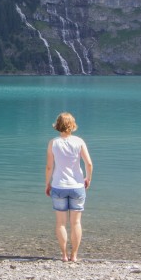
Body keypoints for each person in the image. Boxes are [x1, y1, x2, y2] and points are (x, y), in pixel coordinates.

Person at [44, 111, 93, 262]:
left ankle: (64, 255)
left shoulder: (53, 143)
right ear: (72, 125)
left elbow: (49, 167)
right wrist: (88, 179)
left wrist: (48, 184)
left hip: (59, 186)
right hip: (77, 186)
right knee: (76, 222)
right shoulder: (79, 142)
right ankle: (74, 255)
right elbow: (89, 164)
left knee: (60, 223)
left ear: (58, 125)